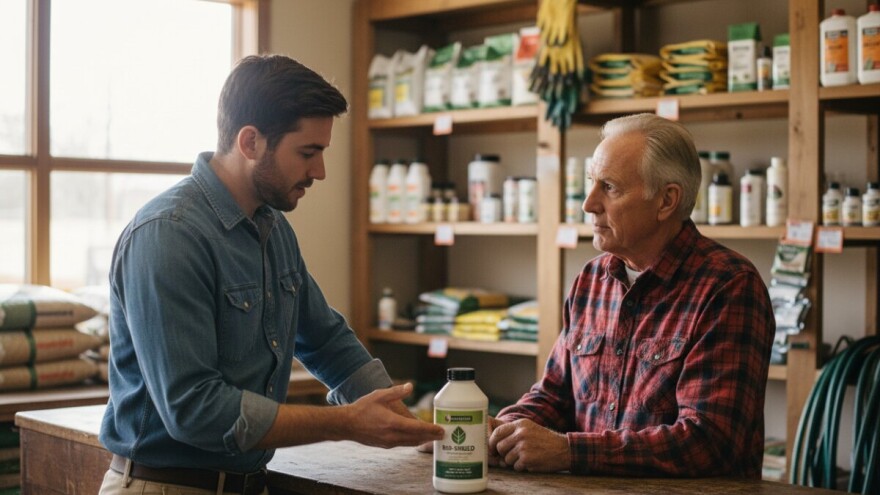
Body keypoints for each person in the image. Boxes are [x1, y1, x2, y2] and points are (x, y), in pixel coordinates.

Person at [98, 54, 443, 495]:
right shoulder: (168, 235)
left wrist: (408, 425)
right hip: (164, 487)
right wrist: (344, 423)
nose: (319, 172)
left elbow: (326, 340)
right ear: (250, 142)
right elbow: (194, 409)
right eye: (308, 153)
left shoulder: (273, 228)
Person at [487, 113, 774, 478]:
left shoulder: (728, 286)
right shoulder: (591, 280)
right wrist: (500, 431)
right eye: (591, 183)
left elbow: (709, 442)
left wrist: (568, 452)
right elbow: (554, 396)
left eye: (609, 187)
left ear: (666, 201)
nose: (588, 204)